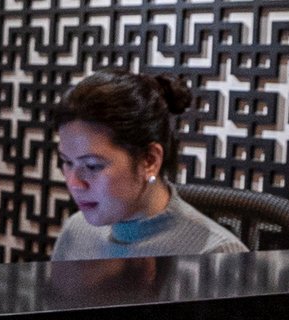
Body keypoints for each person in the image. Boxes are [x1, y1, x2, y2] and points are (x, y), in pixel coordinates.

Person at [50, 71, 244, 260]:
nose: (74, 183)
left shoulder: (219, 256)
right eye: (67, 162)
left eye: (92, 166)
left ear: (149, 160)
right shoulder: (76, 232)